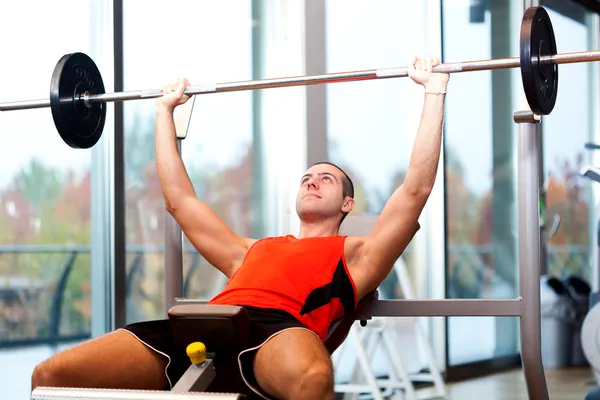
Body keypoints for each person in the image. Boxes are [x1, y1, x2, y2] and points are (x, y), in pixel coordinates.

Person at [30, 55, 449, 400]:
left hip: (278, 332)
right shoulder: (251, 250)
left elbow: (415, 190)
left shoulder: (357, 254)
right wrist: (163, 110)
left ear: (347, 203)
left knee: (311, 381)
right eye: (307, 176)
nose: (311, 180)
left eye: (326, 178)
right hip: (203, 325)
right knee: (49, 377)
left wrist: (434, 91)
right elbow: (181, 201)